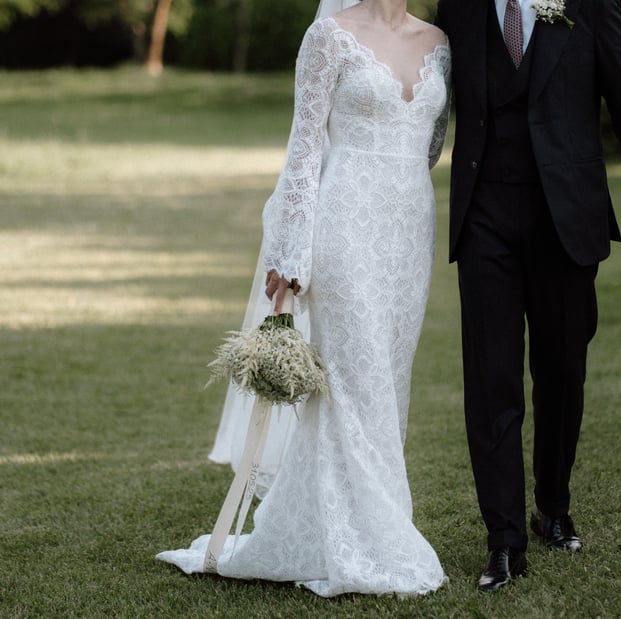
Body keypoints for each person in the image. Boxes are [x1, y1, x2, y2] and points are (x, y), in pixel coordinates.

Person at [156, 0, 451, 597]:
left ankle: (332, 529)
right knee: (353, 382)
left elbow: (431, 145)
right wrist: (289, 254)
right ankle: (376, 539)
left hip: (409, 233)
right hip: (344, 228)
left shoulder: (440, 42)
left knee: (388, 383)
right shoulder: (328, 37)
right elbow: (304, 149)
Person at [434, 0, 621, 591]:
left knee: (563, 373)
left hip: (567, 217)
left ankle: (552, 505)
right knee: (491, 380)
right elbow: (426, 98)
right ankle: (503, 540)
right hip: (484, 218)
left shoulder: (590, 5)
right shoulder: (458, 9)